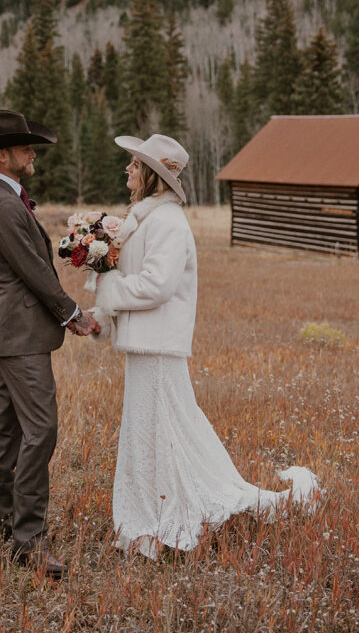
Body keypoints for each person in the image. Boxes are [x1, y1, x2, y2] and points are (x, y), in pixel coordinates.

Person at [90, 132, 318, 558]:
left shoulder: (169, 222)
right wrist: (100, 315)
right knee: (152, 431)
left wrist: (110, 292)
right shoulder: (146, 218)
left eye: (135, 165)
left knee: (166, 430)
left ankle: (166, 518)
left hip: (158, 346)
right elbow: (131, 280)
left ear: (153, 175)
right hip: (144, 344)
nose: (128, 169)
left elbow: (157, 285)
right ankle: (152, 515)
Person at [0, 109, 98, 577]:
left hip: (15, 332)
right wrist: (73, 313)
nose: (32, 153)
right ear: (2, 155)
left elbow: (34, 259)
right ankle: (29, 541)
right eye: (25, 147)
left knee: (7, 431)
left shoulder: (6, 198)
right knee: (42, 430)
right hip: (21, 334)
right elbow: (32, 273)